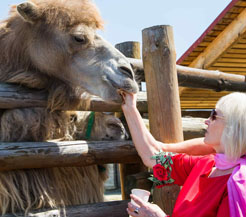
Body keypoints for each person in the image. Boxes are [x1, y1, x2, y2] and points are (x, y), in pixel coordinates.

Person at [120, 91, 246, 217]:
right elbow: (152, 157)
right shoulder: (205, 163)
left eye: (214, 116)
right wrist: (129, 107)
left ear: (233, 127)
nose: (206, 121)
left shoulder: (241, 183)